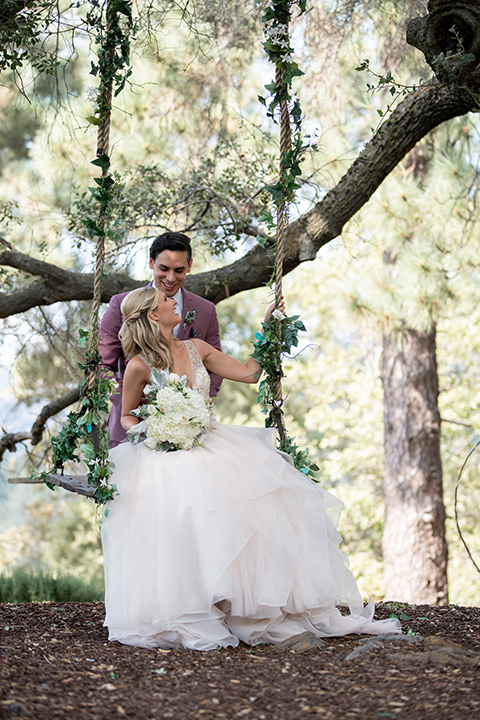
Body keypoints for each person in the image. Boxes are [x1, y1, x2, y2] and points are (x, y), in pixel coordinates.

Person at [101, 286, 401, 651]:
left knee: (270, 496)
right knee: (189, 507)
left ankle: (249, 604)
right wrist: (161, 429)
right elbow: (128, 417)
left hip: (209, 439)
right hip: (164, 450)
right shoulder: (138, 365)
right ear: (153, 315)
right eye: (166, 301)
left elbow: (249, 374)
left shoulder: (197, 349)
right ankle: (193, 605)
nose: (173, 302)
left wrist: (268, 330)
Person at [99, 231, 222, 447]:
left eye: (179, 270)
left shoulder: (205, 310)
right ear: (151, 262)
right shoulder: (122, 304)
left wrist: (192, 408)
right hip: (129, 433)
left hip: (189, 432)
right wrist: (138, 407)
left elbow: (216, 367)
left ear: (190, 265)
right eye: (163, 269)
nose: (171, 278)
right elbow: (101, 367)